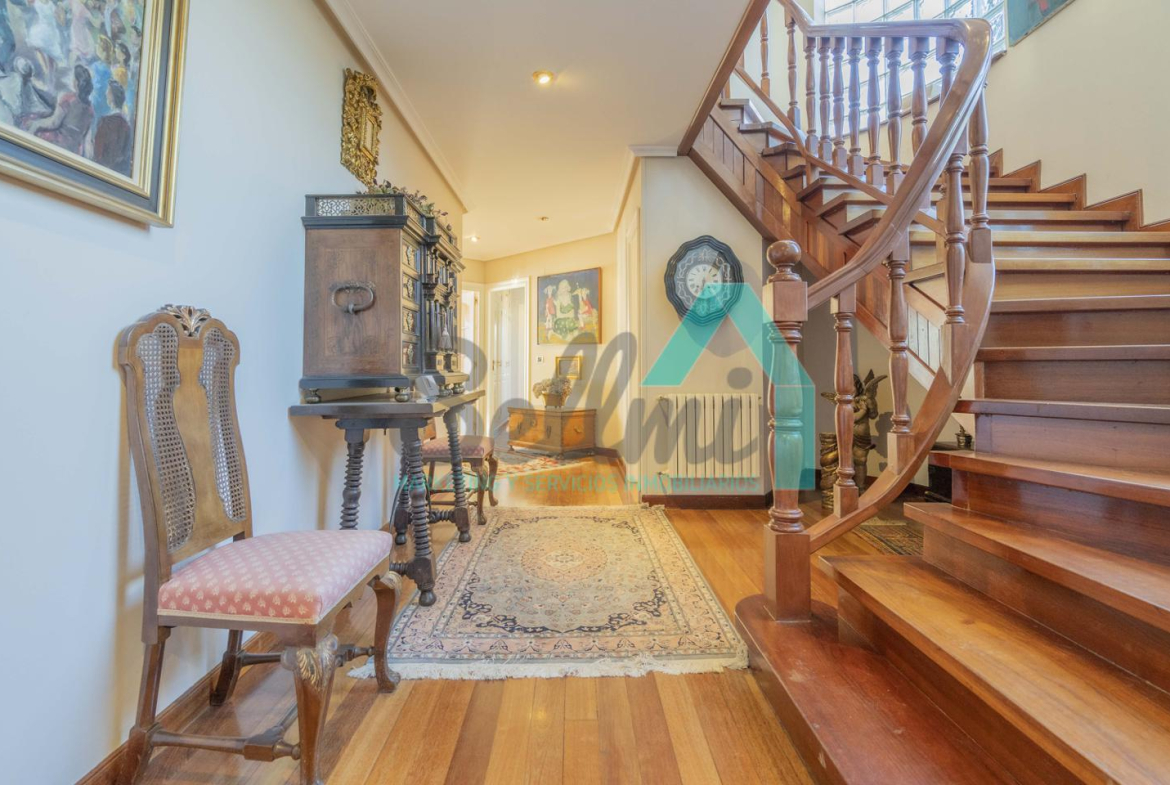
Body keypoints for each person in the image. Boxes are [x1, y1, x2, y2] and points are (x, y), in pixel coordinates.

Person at [29, 63, 95, 156]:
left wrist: (36, 124)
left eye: (73, 78)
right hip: (74, 150)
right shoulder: (90, 109)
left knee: (30, 124)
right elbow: (87, 140)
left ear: (76, 82)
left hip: (58, 143)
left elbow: (53, 123)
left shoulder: (68, 99)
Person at [93, 78, 131, 173]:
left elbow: (97, 153)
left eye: (108, 92)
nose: (106, 94)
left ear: (112, 96)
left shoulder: (105, 122)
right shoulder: (126, 126)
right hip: (117, 171)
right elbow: (125, 154)